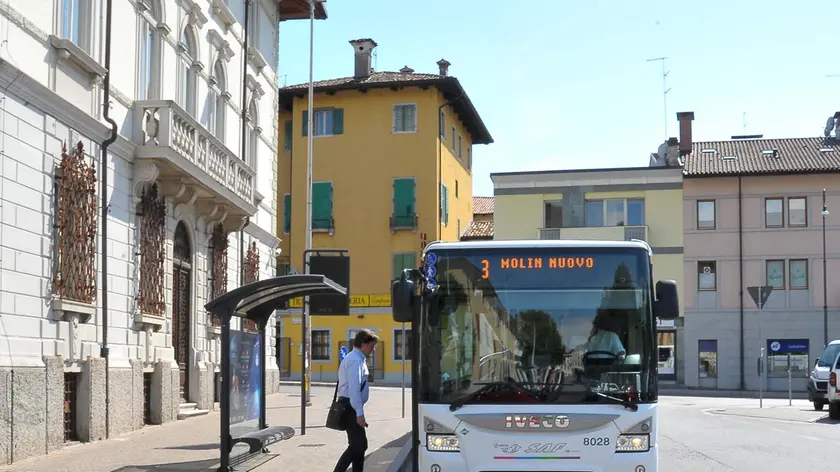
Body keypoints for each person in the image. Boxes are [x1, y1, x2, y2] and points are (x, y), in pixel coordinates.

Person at [332, 329, 379, 472]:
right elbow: (354, 388)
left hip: (351, 406)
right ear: (363, 344)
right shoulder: (354, 360)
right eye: (371, 346)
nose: (373, 349)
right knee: (357, 446)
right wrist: (359, 413)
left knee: (360, 445)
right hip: (350, 406)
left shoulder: (357, 359)